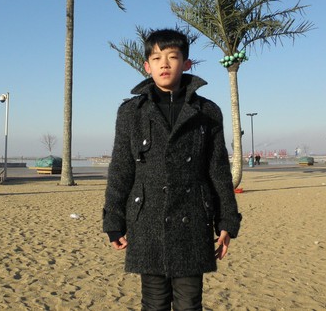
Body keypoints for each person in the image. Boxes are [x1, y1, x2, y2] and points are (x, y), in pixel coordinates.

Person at [103, 29, 242, 310]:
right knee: (153, 303)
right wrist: (114, 222)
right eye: (156, 58)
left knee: (189, 303)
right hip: (147, 221)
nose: (164, 64)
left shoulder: (207, 112)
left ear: (186, 63)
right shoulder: (131, 112)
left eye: (172, 57)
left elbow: (217, 170)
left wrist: (227, 221)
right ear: (147, 66)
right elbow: (120, 169)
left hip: (193, 219)